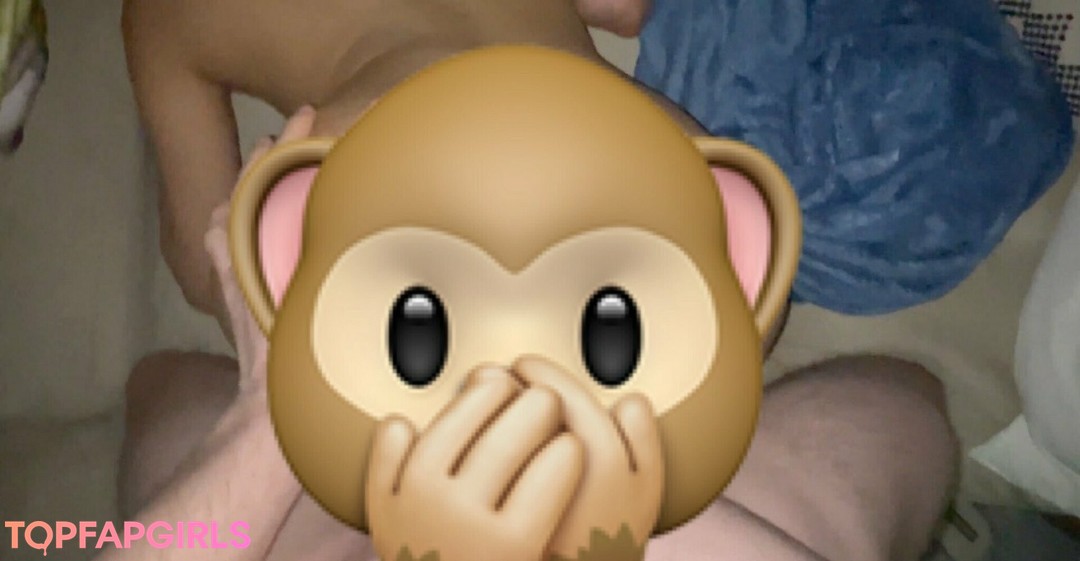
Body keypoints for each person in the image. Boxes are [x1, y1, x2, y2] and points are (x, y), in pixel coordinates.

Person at [114, 0, 960, 558]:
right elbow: (627, 8)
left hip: (410, 284)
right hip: (661, 224)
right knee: (894, 399)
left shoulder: (166, 13)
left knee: (168, 384)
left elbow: (201, 255)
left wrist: (264, 268)